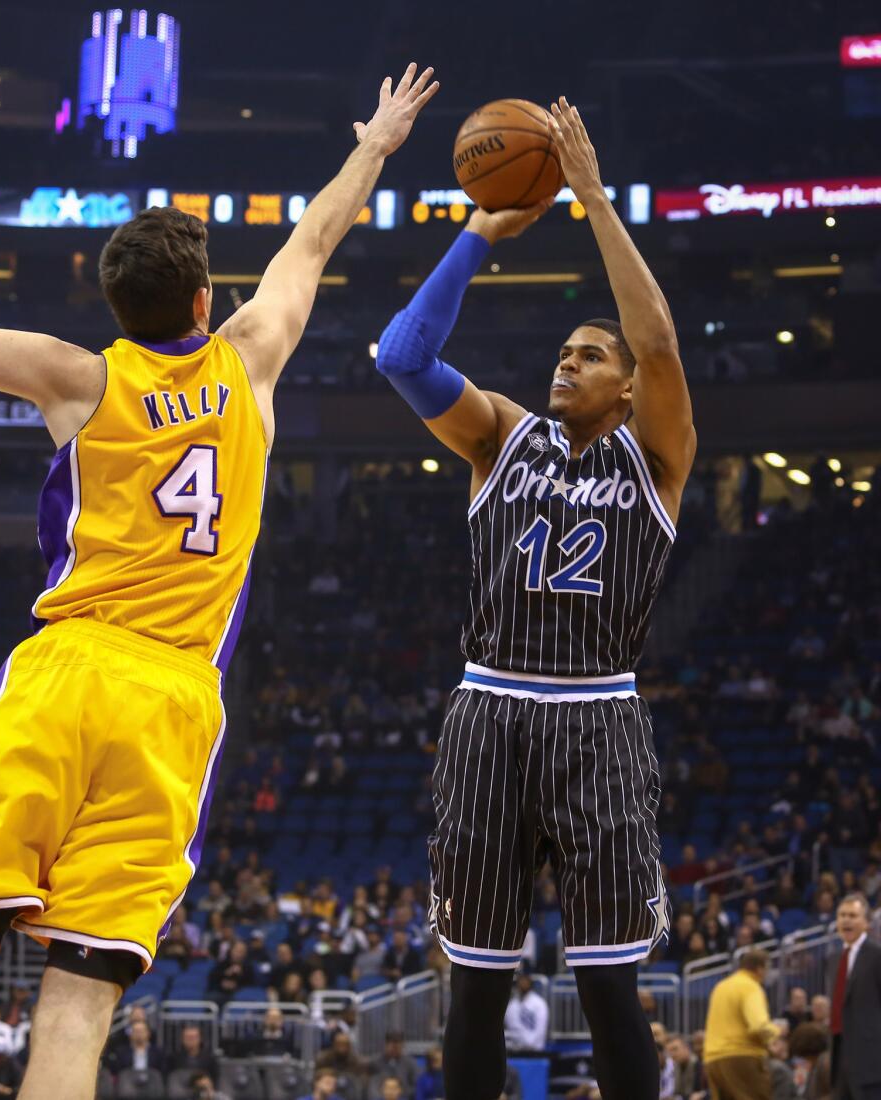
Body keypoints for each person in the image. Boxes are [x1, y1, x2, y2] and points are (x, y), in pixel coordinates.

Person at [0, 59, 437, 1100]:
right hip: (174, 699)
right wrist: (376, 142)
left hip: (68, 670)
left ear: (114, 305)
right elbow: (316, 239)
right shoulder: (252, 356)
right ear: (207, 296)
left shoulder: (81, 378)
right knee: (78, 1000)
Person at [376, 97, 694, 1100]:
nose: (567, 358)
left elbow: (660, 346)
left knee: (608, 987)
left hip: (599, 715)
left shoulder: (659, 457)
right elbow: (402, 359)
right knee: (474, 982)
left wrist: (592, 198)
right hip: (489, 708)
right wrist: (476, 234)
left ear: (627, 388)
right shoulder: (500, 436)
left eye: (588, 354)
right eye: (563, 349)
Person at [703, 949, 779, 1099]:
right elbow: (759, 1025)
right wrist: (777, 1032)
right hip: (742, 1056)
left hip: (712, 1060)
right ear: (760, 968)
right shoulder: (750, 986)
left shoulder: (721, 986)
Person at [829, 893, 881, 1099]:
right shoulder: (834, 959)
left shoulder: (877, 955)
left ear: (867, 923)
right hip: (840, 1051)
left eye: (852, 915)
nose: (846, 920)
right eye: (842, 915)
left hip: (871, 1060)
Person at [504, 969, 549, 1053]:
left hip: (536, 1051)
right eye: (521, 980)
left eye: (525, 980)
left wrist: (530, 1044)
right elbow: (513, 1028)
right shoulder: (512, 1005)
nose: (523, 983)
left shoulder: (539, 1004)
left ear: (530, 983)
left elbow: (541, 1029)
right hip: (516, 1051)